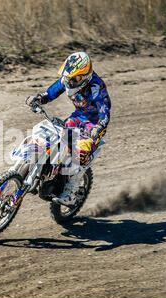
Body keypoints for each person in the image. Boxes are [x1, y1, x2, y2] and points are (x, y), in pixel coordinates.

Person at [27, 52, 112, 206]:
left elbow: (104, 112)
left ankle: (71, 191)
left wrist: (99, 127)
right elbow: (51, 92)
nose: (69, 82)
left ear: (85, 76)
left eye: (74, 79)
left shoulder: (96, 87)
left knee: (78, 154)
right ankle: (47, 172)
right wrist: (39, 99)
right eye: (68, 78)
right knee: (58, 139)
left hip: (94, 123)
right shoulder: (67, 80)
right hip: (78, 117)